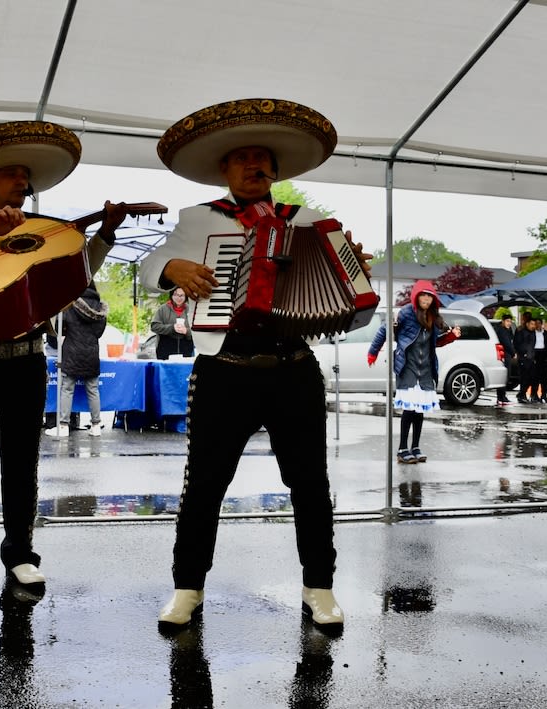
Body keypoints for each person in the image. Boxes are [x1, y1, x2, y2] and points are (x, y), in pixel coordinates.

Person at [138, 98, 372, 631]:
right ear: (224, 170)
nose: (251, 165)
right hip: (223, 367)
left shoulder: (311, 222)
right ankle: (186, 588)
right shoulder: (199, 218)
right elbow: (151, 264)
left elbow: (353, 304)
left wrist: (352, 275)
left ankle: (321, 588)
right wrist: (172, 265)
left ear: (275, 170)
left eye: (260, 157)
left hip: (294, 368)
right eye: (240, 158)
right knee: (204, 485)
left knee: (310, 482)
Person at [0, 121, 126, 607]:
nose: (20, 181)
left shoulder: (39, 231)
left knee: (22, 465)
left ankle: (20, 555)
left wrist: (106, 235)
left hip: (27, 362)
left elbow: (74, 277)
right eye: (10, 173)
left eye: (24, 176)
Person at [367, 280, 460, 463]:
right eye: (423, 295)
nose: (426, 299)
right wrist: (373, 352)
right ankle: (402, 448)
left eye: (429, 296)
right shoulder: (406, 313)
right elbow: (383, 331)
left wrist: (450, 337)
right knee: (409, 410)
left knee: (419, 411)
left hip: (425, 370)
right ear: (416, 296)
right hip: (407, 367)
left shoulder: (433, 316)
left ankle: (415, 446)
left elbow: (435, 343)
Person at [46, 283, 109, 438]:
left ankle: (63, 426)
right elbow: (99, 333)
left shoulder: (70, 305)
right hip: (92, 353)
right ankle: (96, 426)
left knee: (67, 389)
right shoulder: (100, 309)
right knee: (93, 391)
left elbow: (60, 327)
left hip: (71, 352)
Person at [150, 288, 195, 360]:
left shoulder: (191, 310)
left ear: (186, 296)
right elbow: (154, 326)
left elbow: (197, 331)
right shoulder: (163, 309)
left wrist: (186, 331)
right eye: (176, 295)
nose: (179, 298)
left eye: (182, 295)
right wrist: (172, 328)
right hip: (165, 351)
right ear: (171, 295)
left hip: (186, 351)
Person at [513, 316, 540, 404]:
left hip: (531, 358)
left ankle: (529, 395)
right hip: (523, 359)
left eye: (534, 324)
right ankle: (522, 395)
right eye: (532, 324)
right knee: (524, 378)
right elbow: (517, 344)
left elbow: (532, 345)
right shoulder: (521, 332)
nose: (533, 326)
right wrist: (523, 353)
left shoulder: (533, 333)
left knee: (534, 378)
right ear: (527, 324)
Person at [492, 313, 516, 405]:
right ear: (503, 321)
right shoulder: (501, 330)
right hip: (503, 354)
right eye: (507, 321)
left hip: (506, 354)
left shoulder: (507, 330)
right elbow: (506, 343)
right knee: (504, 375)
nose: (509, 323)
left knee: (506, 375)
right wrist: (513, 353)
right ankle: (501, 397)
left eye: (510, 321)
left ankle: (502, 396)